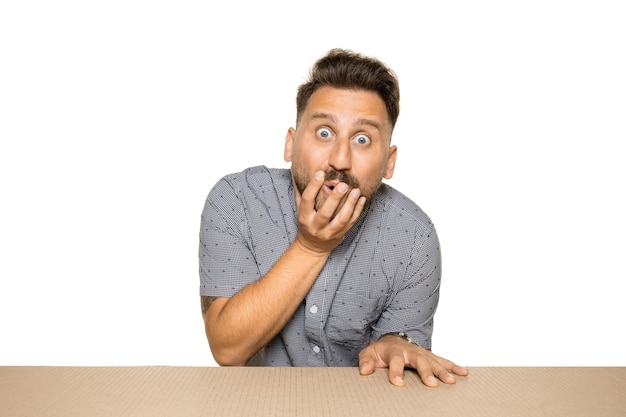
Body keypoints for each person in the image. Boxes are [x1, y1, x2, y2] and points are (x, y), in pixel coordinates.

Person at [199, 48, 468, 387]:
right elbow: (227, 348)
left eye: (362, 139)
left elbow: (400, 349)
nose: (340, 159)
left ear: (389, 161)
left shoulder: (414, 236)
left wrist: (394, 346)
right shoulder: (236, 201)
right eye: (324, 132)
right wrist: (311, 247)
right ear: (291, 144)